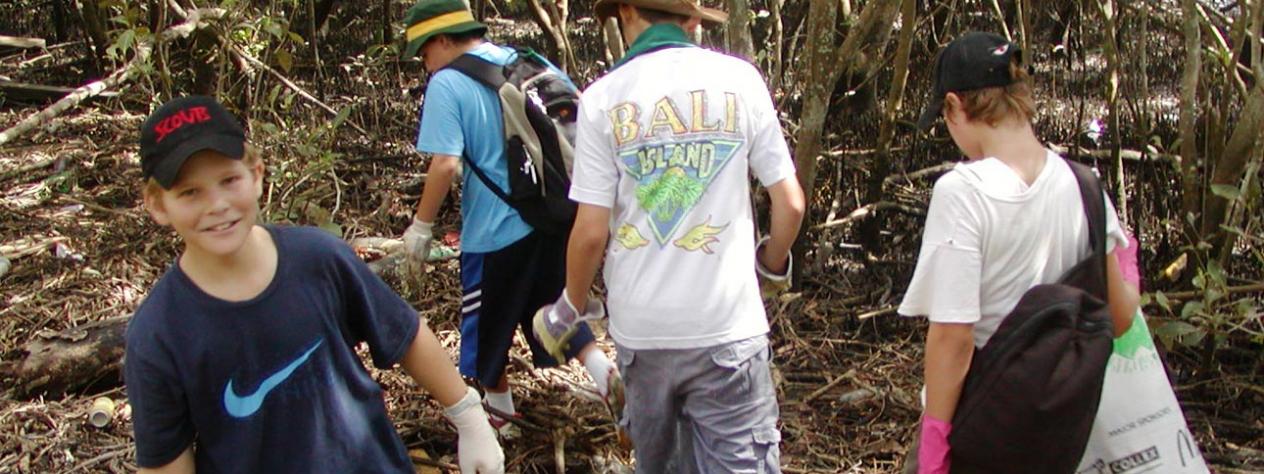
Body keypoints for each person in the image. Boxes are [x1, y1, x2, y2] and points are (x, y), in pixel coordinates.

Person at [124, 96, 504, 473]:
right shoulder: (159, 332)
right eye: (190, 192)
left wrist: (468, 416)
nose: (217, 204)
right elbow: (166, 461)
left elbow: (404, 333)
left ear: (256, 175)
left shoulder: (317, 259)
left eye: (229, 180)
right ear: (158, 204)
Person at [530, 0, 806, 470]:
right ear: (693, 19)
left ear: (624, 12)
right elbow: (791, 202)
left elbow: (591, 232)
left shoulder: (601, 99)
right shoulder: (739, 80)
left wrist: (569, 309)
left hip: (644, 332)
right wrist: (771, 265)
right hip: (727, 327)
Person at [897, 32, 1141, 474]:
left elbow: (954, 339)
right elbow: (1120, 316)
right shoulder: (1085, 183)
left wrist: (935, 441)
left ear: (955, 106)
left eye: (944, 116)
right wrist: (1128, 266)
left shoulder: (963, 191)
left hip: (983, 428)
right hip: (1054, 434)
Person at [398, 0, 620, 434]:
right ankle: (603, 372)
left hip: (494, 233)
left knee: (485, 334)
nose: (425, 66)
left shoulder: (448, 82)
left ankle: (501, 419)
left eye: (424, 53)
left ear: (443, 40)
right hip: (555, 217)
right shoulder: (527, 62)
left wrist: (420, 228)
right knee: (552, 306)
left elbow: (445, 164)